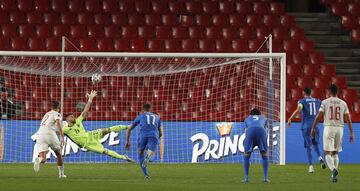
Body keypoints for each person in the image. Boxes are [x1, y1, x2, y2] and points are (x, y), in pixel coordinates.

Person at [63, 90, 134, 162]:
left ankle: (128, 126)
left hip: (90, 135)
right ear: (67, 119)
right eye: (71, 117)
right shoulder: (65, 129)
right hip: (87, 143)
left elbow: (85, 111)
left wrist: (90, 100)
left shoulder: (78, 120)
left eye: (73, 116)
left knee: (107, 129)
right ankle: (124, 157)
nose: (73, 117)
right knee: (105, 151)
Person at [311, 84, 354, 182]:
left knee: (327, 153)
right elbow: (348, 119)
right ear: (337, 92)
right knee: (335, 152)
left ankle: (334, 170)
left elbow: (318, 116)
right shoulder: (343, 103)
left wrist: (313, 127)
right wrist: (351, 133)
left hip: (329, 128)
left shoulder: (325, 102)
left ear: (329, 92)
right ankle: (334, 176)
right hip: (340, 129)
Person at [287, 87, 325, 173]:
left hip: (306, 127)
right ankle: (320, 158)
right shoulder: (317, 101)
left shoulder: (302, 101)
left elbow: (299, 109)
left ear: (304, 93)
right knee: (315, 144)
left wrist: (290, 118)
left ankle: (311, 166)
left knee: (308, 147)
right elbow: (322, 110)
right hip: (315, 126)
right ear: (311, 93)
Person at [125, 103, 162, 179]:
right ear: (150, 109)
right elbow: (160, 132)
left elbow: (129, 129)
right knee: (151, 150)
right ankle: (148, 156)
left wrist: (128, 141)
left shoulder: (140, 116)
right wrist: (157, 138)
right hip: (154, 135)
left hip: (143, 136)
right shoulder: (157, 117)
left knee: (140, 152)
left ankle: (146, 174)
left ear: (143, 109)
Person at [33, 101, 66, 178]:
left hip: (40, 134)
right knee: (58, 154)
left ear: (51, 107)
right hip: (50, 134)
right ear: (59, 108)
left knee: (44, 159)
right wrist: (62, 137)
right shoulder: (57, 114)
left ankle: (39, 159)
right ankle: (61, 174)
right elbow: (58, 124)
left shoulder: (46, 114)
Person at [242, 108, 269, 183]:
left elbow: (245, 130)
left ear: (251, 114)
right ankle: (265, 178)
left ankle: (246, 178)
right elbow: (266, 129)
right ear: (259, 114)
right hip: (261, 131)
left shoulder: (247, 119)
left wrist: (248, 140)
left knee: (247, 155)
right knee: (264, 154)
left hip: (250, 131)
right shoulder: (264, 118)